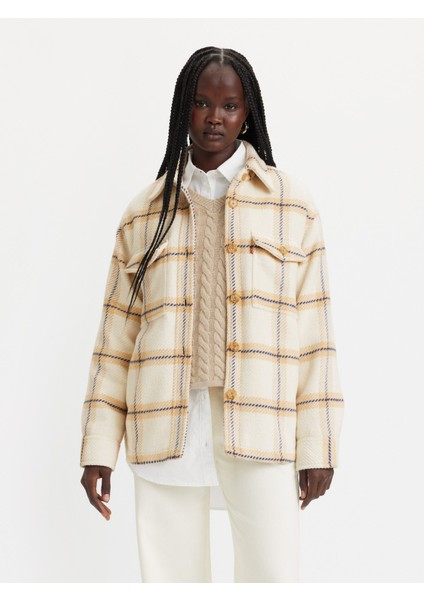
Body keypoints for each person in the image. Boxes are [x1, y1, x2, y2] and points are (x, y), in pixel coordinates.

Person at [79, 46, 344, 583]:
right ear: (184, 108)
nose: (215, 117)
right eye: (201, 103)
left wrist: (319, 445)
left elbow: (316, 337)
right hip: (162, 421)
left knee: (272, 576)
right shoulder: (143, 213)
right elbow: (115, 340)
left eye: (229, 105)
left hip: (263, 422)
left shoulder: (292, 206)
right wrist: (98, 447)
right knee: (170, 579)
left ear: (248, 113)